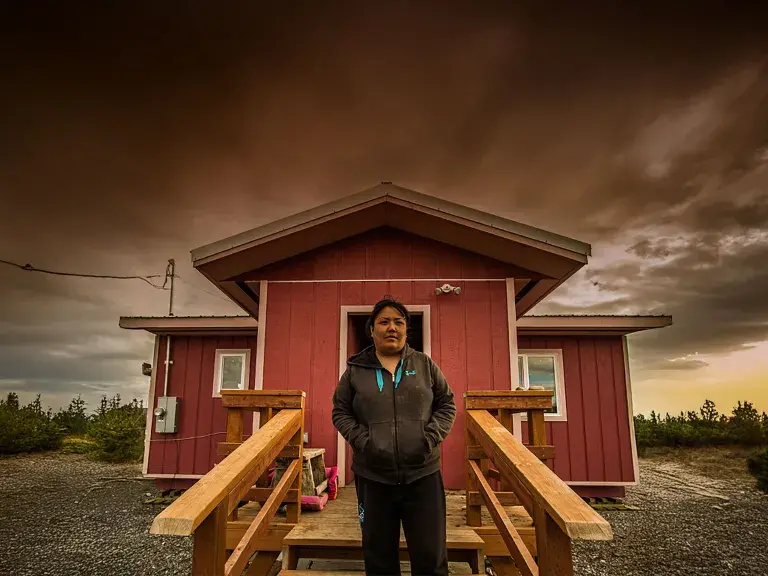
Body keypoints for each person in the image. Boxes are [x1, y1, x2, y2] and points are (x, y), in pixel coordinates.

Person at [332, 297, 456, 576]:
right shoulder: (355, 370)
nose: (392, 327)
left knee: (430, 557)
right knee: (379, 559)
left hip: (423, 474)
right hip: (373, 478)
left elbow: (447, 403)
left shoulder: (424, 364)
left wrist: (430, 437)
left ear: (406, 330)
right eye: (384, 322)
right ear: (371, 330)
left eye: (398, 322)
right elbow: (340, 411)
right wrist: (364, 441)